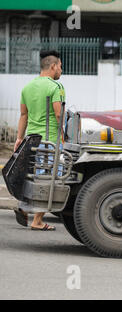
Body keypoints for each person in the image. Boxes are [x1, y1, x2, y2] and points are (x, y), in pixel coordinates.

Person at [13, 50, 65, 231]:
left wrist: (19, 138)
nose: (61, 69)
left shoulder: (27, 87)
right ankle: (37, 220)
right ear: (52, 66)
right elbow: (59, 114)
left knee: (33, 176)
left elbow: (23, 115)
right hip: (49, 141)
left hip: (31, 140)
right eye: (59, 66)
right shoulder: (55, 87)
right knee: (49, 178)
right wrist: (64, 136)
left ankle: (23, 206)